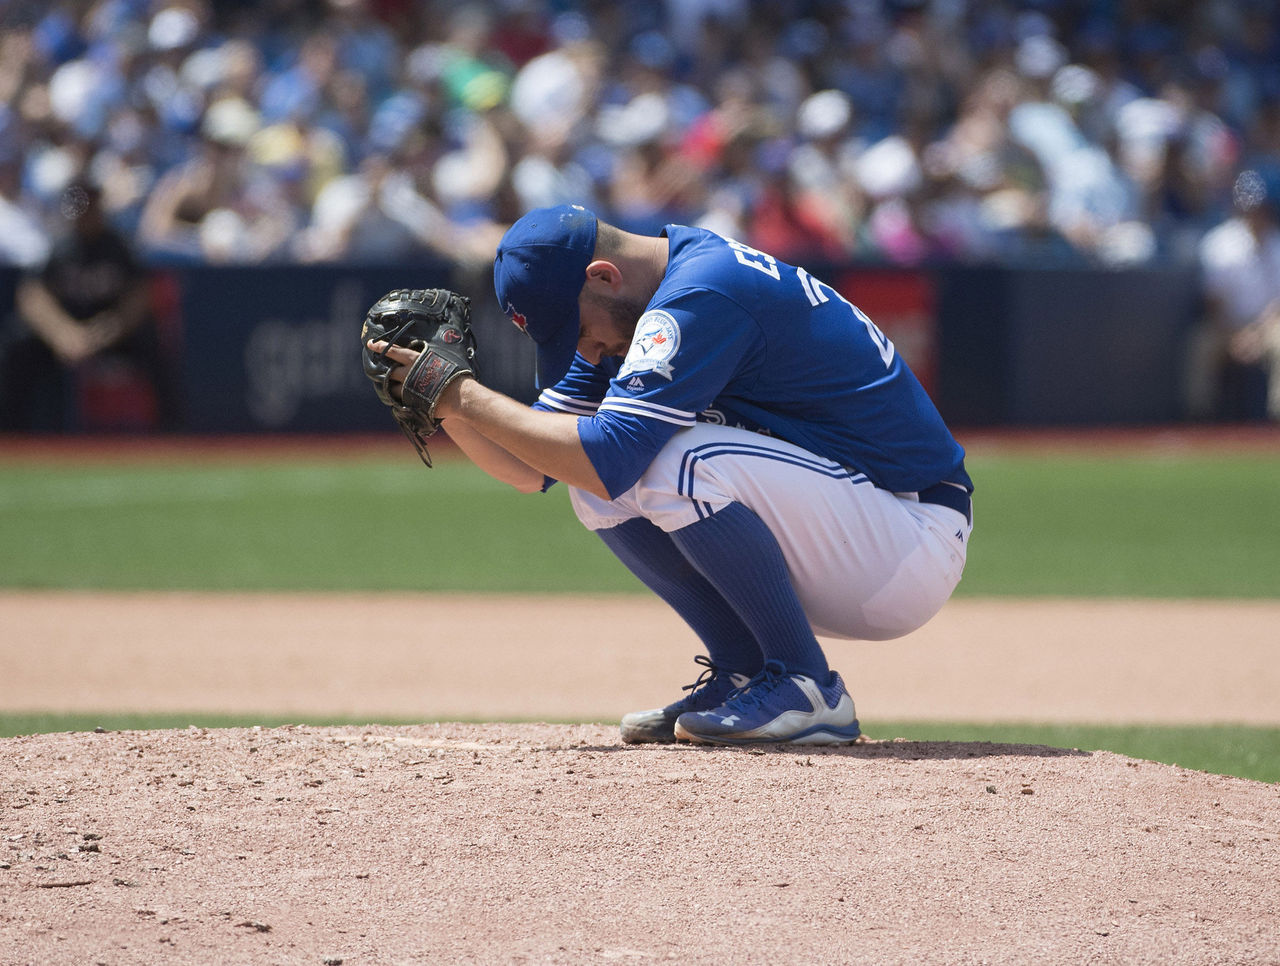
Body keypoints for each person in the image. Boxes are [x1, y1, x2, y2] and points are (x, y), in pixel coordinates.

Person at [369, 204, 974, 746]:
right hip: (848, 529)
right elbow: (537, 470)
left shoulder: (703, 291)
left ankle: (806, 683)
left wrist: (466, 396)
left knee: (662, 462)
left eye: (578, 330)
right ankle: (744, 672)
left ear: (604, 276)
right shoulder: (633, 307)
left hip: (907, 532)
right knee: (596, 481)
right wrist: (445, 405)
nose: (590, 350)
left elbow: (608, 456)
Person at [0, 178, 172, 432]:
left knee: (153, 343)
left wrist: (108, 330)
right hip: (64, 333)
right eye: (80, 203)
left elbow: (139, 295)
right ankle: (10, 430)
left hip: (110, 331)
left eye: (91, 202)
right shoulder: (59, 246)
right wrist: (63, 334)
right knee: (15, 343)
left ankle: (172, 430)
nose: (87, 209)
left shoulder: (118, 246)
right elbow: (32, 296)